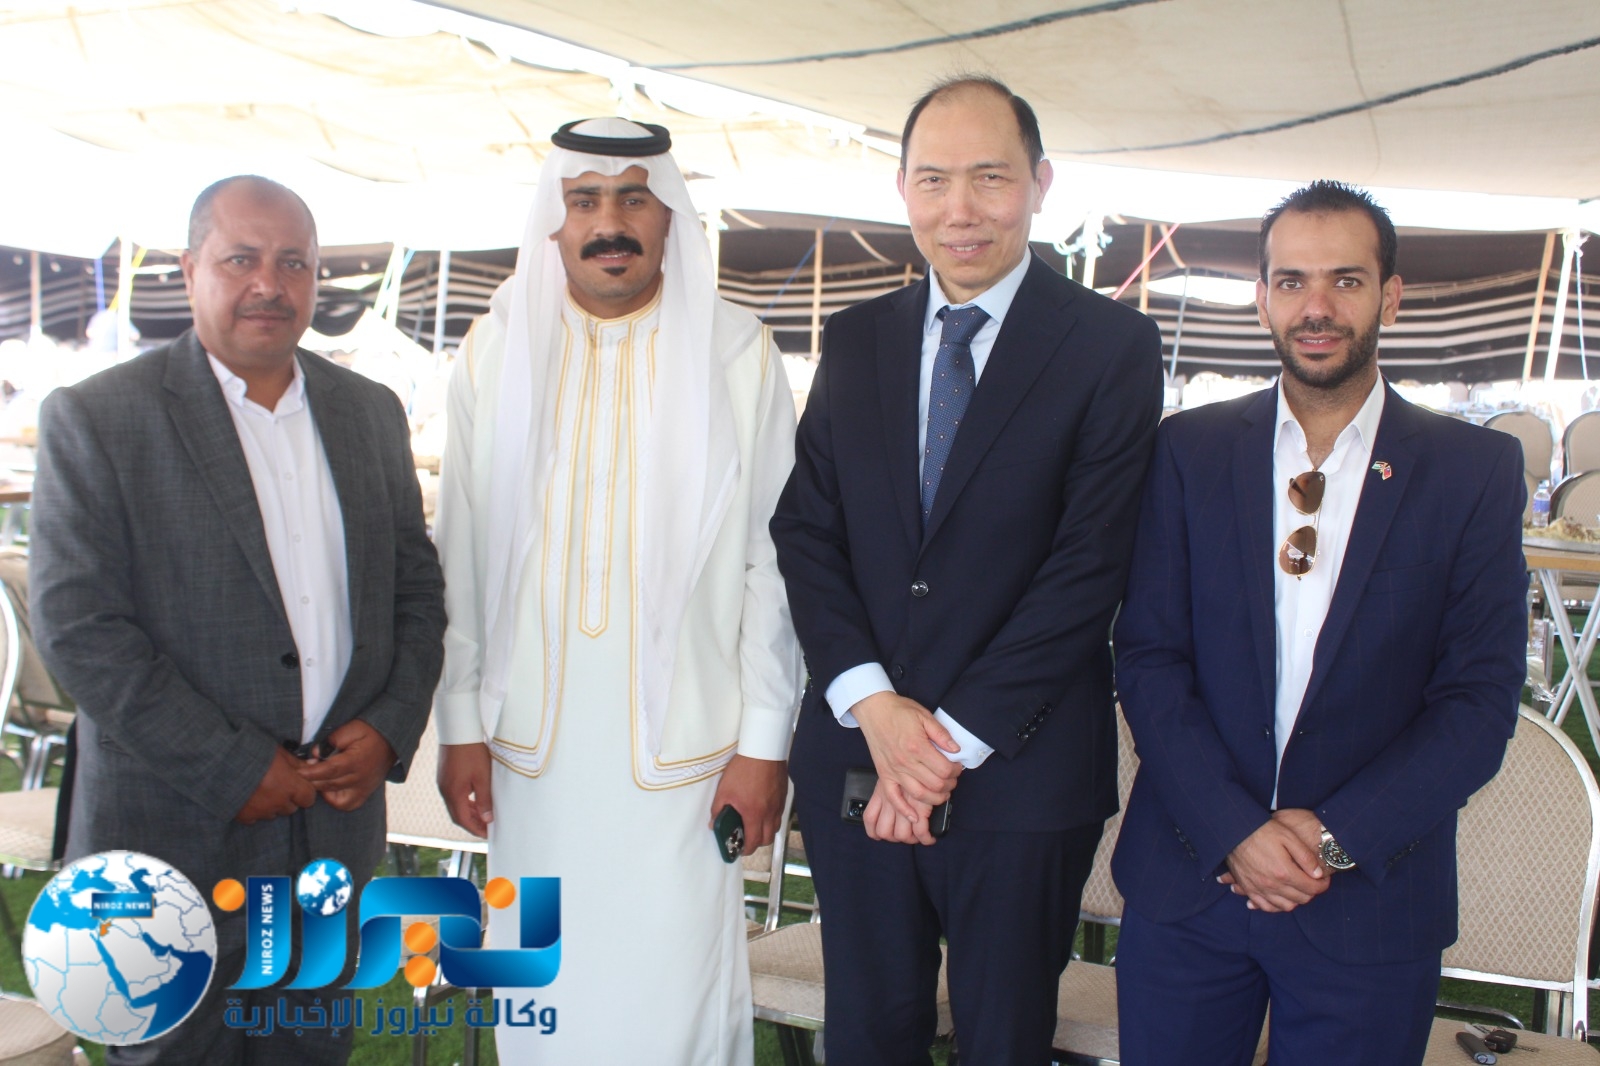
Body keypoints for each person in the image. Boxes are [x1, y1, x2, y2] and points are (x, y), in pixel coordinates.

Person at [770, 76, 1164, 1063]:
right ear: (902, 187)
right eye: (934, 179)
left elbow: (1089, 565)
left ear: (1039, 183)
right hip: (858, 758)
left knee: (1004, 1039)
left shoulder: (1110, 345)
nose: (960, 210)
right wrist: (875, 708)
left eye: (990, 178)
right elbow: (807, 532)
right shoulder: (857, 338)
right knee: (868, 1034)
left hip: (1021, 771)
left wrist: (941, 745)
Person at [30, 174, 447, 1064]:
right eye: (241, 259)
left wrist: (389, 726)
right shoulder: (98, 417)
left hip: (331, 830)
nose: (270, 283)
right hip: (167, 834)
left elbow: (416, 590)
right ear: (189, 271)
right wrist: (233, 766)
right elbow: (79, 629)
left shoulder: (369, 414)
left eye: (293, 262)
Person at [1111, 180, 1528, 1065]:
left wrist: (1332, 840)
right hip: (1191, 882)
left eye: (1346, 280)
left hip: (1370, 900)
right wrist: (1234, 830)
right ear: (1262, 297)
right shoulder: (1186, 451)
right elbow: (1149, 658)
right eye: (1293, 281)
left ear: (1391, 296)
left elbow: (1478, 702)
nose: (1317, 307)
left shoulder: (1473, 471)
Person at [431, 117, 802, 1064]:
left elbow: (774, 561)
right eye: (585, 200)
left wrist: (764, 744)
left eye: (635, 198)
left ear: (669, 214)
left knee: (672, 1007)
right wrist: (460, 723)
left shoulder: (737, 354)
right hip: (527, 759)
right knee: (540, 999)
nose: (610, 223)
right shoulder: (495, 349)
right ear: (553, 220)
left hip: (687, 760)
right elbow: (459, 550)